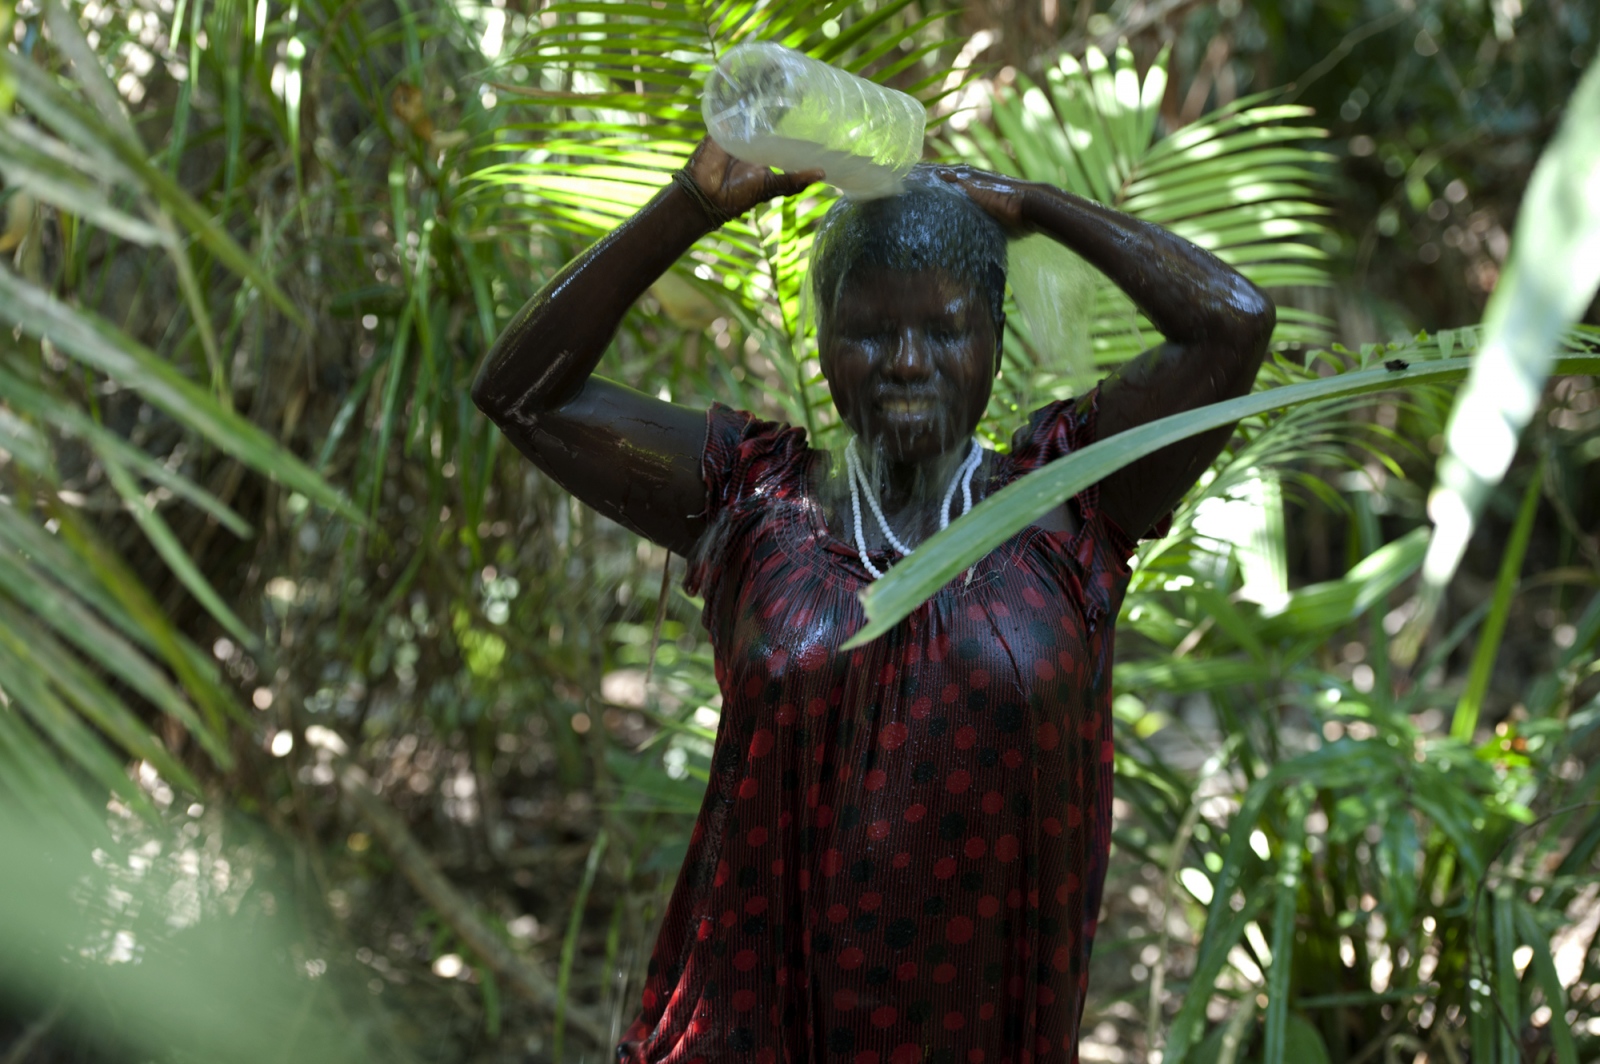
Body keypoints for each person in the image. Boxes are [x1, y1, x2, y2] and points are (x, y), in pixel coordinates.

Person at [472, 138, 1273, 1064]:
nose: (905, 360)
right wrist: (693, 201)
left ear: (995, 338)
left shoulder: (1076, 504)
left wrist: (1041, 205)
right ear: (821, 340)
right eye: (868, 330)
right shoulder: (751, 498)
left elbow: (1234, 323)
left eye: (944, 328)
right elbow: (521, 393)